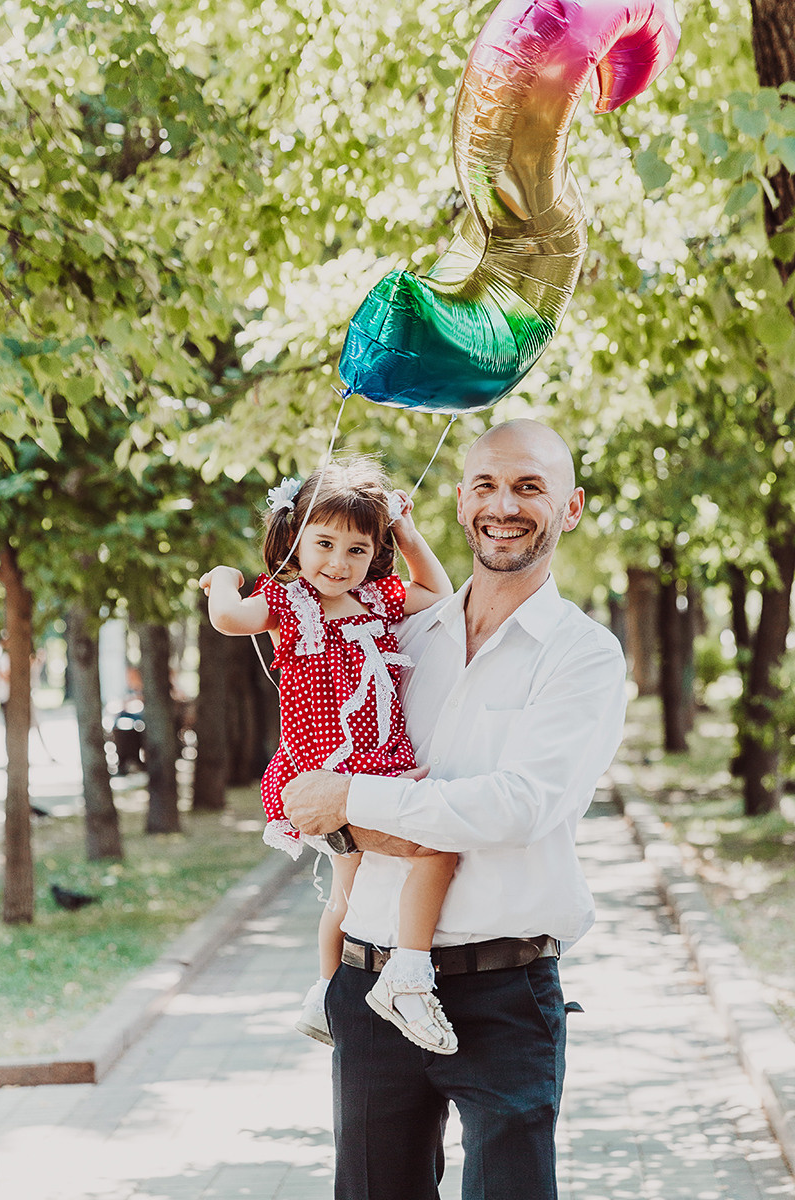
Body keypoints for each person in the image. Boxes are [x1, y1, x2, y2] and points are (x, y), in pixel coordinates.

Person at [281, 419, 627, 1200]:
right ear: (462, 502)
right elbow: (321, 776)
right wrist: (345, 810)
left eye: (529, 487)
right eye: (487, 486)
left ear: (570, 507)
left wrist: (352, 802)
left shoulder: (583, 654)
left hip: (506, 993)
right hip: (370, 987)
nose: (504, 506)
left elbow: (518, 807)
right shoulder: (400, 635)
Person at [199, 457, 459, 1054]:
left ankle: (323, 993)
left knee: (347, 891)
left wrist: (406, 531)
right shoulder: (288, 602)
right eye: (324, 544)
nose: (339, 563)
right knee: (437, 847)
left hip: (376, 768)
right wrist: (224, 579)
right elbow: (229, 618)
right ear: (295, 537)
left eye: (357, 549)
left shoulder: (376, 598)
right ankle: (408, 975)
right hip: (325, 774)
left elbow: (437, 591)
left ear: (374, 553)